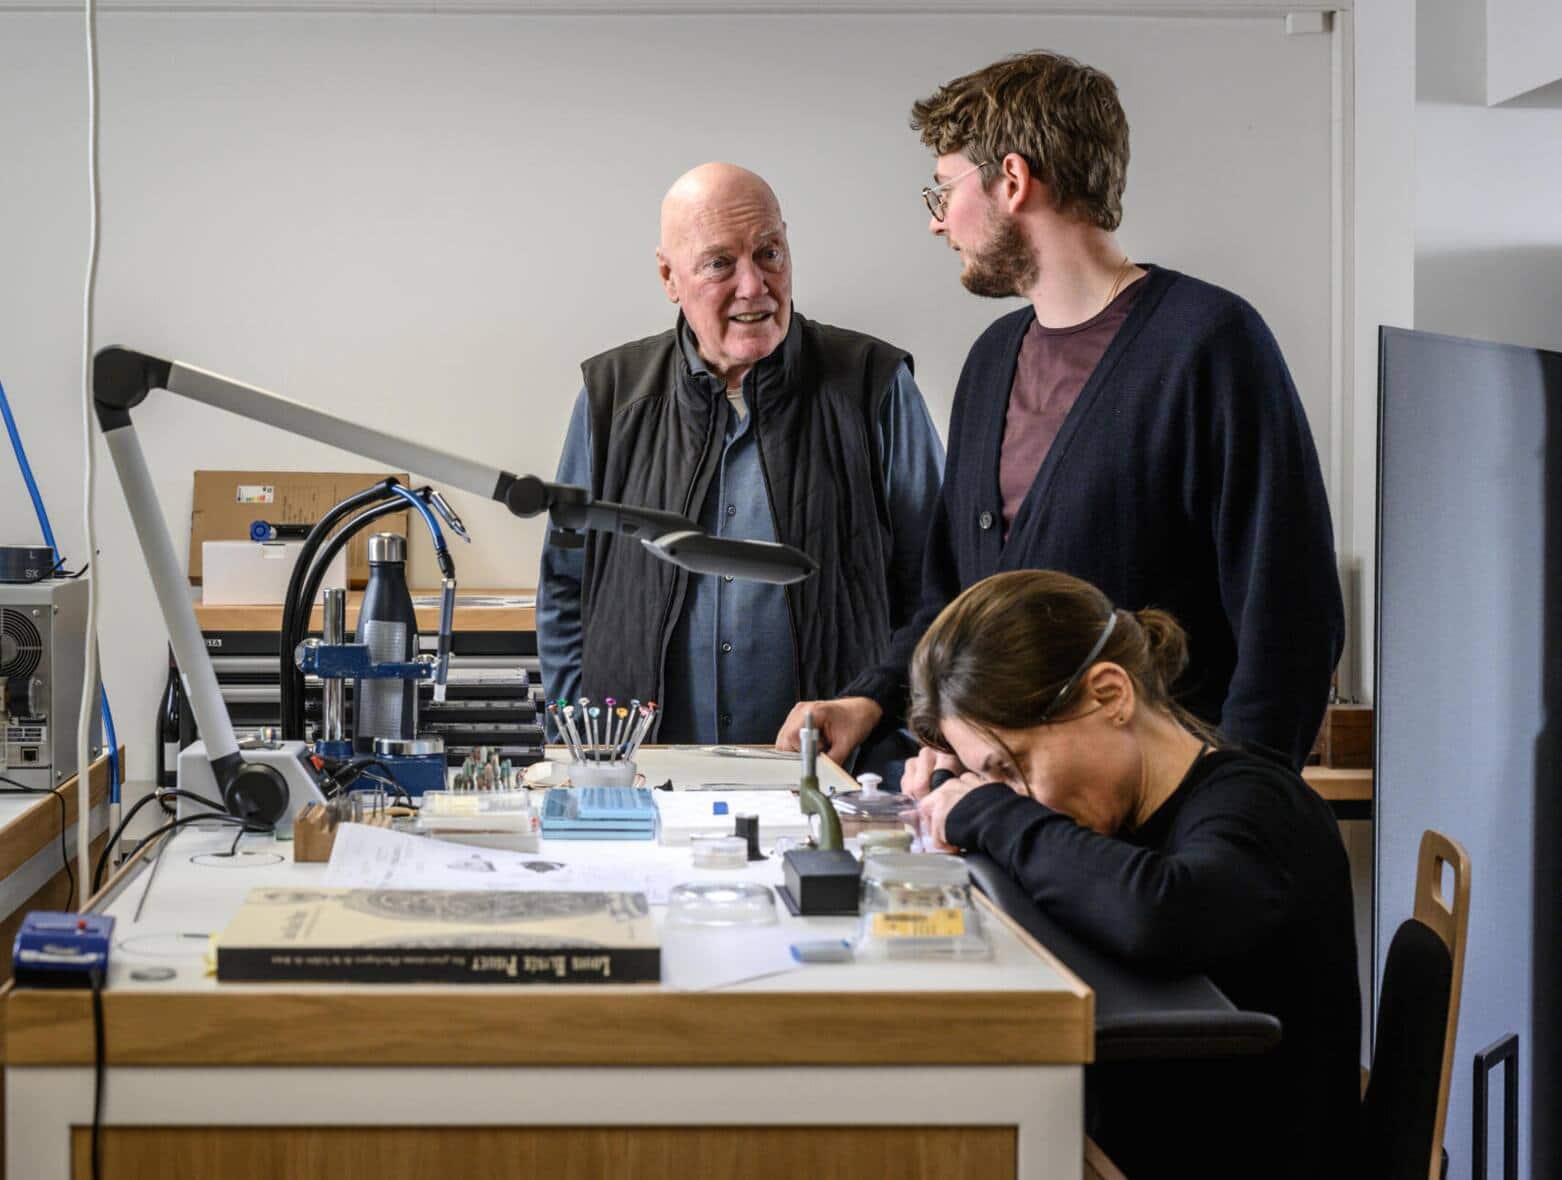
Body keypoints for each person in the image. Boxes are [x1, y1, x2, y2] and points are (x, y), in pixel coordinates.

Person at [777, 52, 1344, 775]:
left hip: (1157, 828)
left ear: (1011, 180)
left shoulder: (1209, 343)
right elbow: (950, 599)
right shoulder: (992, 359)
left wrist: (1247, 805)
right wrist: (870, 700)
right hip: (1009, 814)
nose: (937, 222)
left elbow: (1289, 608)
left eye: (943, 190)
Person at [911, 569, 1360, 1178]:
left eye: (1014, 767)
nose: (1021, 798)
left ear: (1109, 695)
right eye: (992, 777)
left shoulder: (1258, 806)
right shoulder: (1123, 822)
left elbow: (1165, 912)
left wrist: (991, 812)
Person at [537, 162, 943, 745]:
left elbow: (935, 586)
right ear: (669, 277)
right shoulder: (611, 397)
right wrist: (587, 741)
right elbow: (563, 586)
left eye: (769, 253)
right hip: (645, 784)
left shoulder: (871, 385)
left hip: (838, 774)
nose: (753, 285)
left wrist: (897, 729)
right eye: (720, 263)